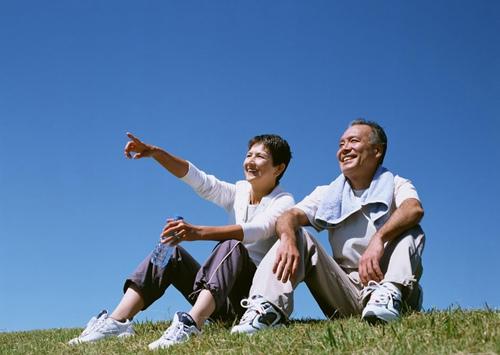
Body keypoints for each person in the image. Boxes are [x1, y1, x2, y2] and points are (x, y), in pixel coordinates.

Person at [68, 132, 294, 349]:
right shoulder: (240, 191)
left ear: (279, 168)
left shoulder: (284, 201)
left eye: (260, 156)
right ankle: (117, 322)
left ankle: (192, 324)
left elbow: (257, 230)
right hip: (218, 293)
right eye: (249, 155)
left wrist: (198, 232)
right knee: (172, 253)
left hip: (249, 303)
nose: (251, 161)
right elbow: (201, 181)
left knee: (232, 244)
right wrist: (156, 153)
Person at [231, 119, 425, 334]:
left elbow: (413, 209)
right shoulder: (328, 194)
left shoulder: (397, 184)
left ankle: (388, 295)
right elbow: (289, 216)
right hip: (347, 292)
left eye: (353, 141)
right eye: (341, 144)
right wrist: (287, 239)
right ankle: (266, 309)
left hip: (392, 287)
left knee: (411, 230)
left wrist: (379, 238)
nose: (345, 149)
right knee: (296, 233)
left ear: (377, 151)